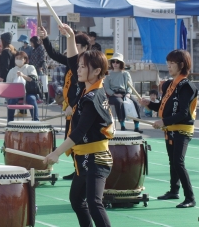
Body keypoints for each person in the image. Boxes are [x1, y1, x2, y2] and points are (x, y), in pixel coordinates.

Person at [44, 23, 113, 227]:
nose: (79, 70)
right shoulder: (87, 90)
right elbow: (73, 60)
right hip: (83, 158)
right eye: (80, 67)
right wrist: (71, 37)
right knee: (77, 201)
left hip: (96, 159)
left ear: (97, 71)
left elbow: (80, 131)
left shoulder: (93, 97)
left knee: (94, 202)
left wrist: (56, 152)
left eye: (84, 67)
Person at [139, 50, 197, 208]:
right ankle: (174, 190)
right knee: (172, 161)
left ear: (181, 65)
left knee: (178, 162)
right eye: (168, 63)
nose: (169, 66)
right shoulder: (169, 85)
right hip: (170, 127)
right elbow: (163, 107)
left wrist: (163, 121)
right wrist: (148, 104)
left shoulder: (187, 86)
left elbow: (183, 113)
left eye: (172, 64)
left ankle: (190, 197)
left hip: (183, 128)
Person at [38, 26, 89, 180]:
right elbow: (53, 54)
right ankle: (77, 169)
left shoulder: (88, 65)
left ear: (85, 48)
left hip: (80, 107)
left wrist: (74, 106)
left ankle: (83, 169)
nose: (73, 48)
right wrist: (45, 38)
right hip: (70, 107)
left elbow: (85, 90)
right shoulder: (72, 63)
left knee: (79, 138)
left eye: (77, 45)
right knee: (71, 138)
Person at [103, 52, 142, 133]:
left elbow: (129, 85)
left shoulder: (125, 73)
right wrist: (114, 94)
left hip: (125, 93)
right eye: (113, 61)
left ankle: (137, 126)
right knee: (119, 102)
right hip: (113, 94)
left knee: (136, 103)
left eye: (117, 62)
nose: (115, 64)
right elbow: (107, 88)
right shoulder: (108, 74)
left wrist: (128, 93)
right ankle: (122, 125)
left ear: (121, 63)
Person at [6, 51, 39, 122]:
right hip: (16, 93)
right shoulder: (12, 70)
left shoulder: (30, 68)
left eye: (20, 58)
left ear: (25, 59)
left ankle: (36, 120)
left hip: (29, 92)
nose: (18, 60)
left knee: (32, 99)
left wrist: (23, 76)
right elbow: (8, 83)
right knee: (11, 100)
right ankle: (10, 121)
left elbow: (33, 79)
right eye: (16, 58)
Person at [29, 35, 48, 102]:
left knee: (43, 83)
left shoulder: (41, 48)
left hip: (40, 68)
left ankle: (48, 99)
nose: (31, 44)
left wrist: (41, 66)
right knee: (38, 83)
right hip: (34, 69)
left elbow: (43, 58)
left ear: (34, 42)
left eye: (31, 42)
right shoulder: (34, 49)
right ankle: (40, 98)